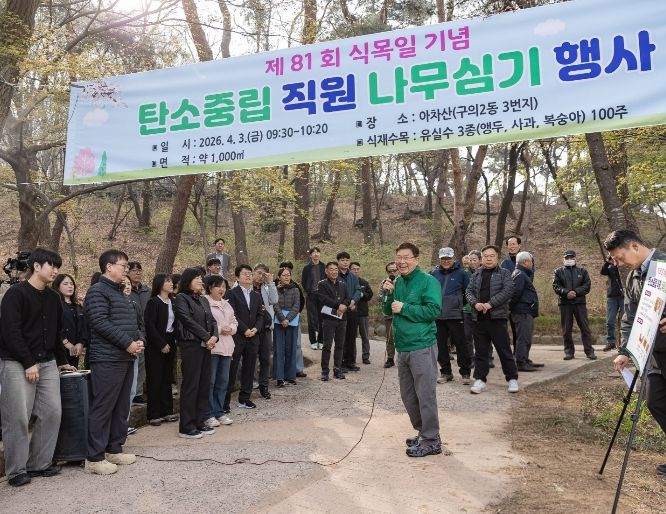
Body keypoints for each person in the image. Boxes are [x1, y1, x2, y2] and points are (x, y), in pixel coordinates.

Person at [0, 248, 76, 487]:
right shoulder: (15, 294)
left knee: (52, 412)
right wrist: (28, 362)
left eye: (57, 266)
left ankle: (39, 463)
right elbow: (10, 332)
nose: (55, 271)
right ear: (36, 266)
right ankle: (16, 470)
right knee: (17, 417)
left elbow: (55, 333)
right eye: (51, 265)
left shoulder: (53, 298)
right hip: (16, 362)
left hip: (47, 362)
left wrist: (62, 361)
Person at [606, 230, 666, 478]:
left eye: (620, 257)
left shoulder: (664, 265)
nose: (619, 264)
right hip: (653, 354)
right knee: (655, 402)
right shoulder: (633, 277)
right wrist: (625, 351)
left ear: (634, 246)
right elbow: (629, 318)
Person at [84, 249, 144, 475]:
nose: (126, 270)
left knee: (121, 406)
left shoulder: (121, 293)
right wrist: (127, 343)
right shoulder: (97, 291)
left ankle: (113, 448)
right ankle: (94, 457)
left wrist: (139, 340)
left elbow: (133, 324)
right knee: (103, 406)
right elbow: (99, 322)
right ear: (109, 267)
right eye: (123, 265)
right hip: (107, 359)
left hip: (125, 356)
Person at [382, 242, 442, 458]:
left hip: (422, 346)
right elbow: (387, 310)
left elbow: (433, 310)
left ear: (416, 259)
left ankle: (432, 439)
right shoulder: (397, 281)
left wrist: (405, 308)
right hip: (403, 347)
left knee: (425, 394)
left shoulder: (428, 281)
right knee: (408, 395)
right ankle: (423, 432)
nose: (401, 261)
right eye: (398, 257)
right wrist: (388, 294)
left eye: (406, 257)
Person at [466, 245, 519, 394]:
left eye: (492, 256)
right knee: (480, 352)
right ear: (481, 258)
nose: (488, 259)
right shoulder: (476, 274)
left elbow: (508, 291)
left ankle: (512, 379)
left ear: (497, 257)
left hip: (497, 319)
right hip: (479, 319)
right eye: (485, 256)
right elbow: (468, 291)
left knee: (504, 350)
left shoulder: (504, 273)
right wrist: (475, 303)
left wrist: (490, 304)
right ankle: (480, 379)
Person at [174, 268, 218, 439]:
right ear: (187, 281)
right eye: (196, 278)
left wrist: (214, 336)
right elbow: (187, 320)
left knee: (204, 384)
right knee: (191, 385)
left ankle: (199, 421)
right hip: (191, 345)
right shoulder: (181, 298)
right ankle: (186, 426)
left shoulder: (203, 299)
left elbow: (212, 321)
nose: (200, 280)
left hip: (206, 345)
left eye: (201, 278)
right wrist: (207, 337)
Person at [430, 247, 471, 385]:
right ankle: (446, 372)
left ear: (453, 258)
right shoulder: (433, 273)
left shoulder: (462, 274)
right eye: (443, 258)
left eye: (448, 258)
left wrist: (458, 303)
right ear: (440, 259)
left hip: (455, 315)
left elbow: (468, 292)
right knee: (440, 345)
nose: (446, 261)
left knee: (461, 344)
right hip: (437, 315)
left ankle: (465, 372)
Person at [225, 264, 264, 410]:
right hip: (237, 336)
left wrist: (256, 328)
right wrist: (244, 329)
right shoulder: (231, 293)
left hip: (253, 336)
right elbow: (232, 315)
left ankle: (245, 398)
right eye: (245, 273)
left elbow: (260, 315)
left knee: (249, 368)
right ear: (237, 277)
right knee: (232, 369)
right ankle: (224, 402)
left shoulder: (256, 295)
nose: (248, 276)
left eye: (250, 273)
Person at [143, 274, 179, 427]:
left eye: (171, 281)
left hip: (170, 341)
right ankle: (154, 414)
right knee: (155, 378)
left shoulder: (173, 302)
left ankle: (167, 411)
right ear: (159, 284)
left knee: (167, 377)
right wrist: (161, 344)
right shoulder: (153, 302)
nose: (171, 284)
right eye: (167, 281)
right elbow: (150, 326)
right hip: (155, 344)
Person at [203, 275, 236, 428]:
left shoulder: (226, 304)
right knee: (210, 382)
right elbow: (206, 323)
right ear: (210, 287)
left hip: (227, 347)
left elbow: (234, 321)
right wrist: (221, 329)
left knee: (223, 382)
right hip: (213, 347)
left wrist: (232, 329)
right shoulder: (205, 302)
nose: (221, 289)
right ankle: (208, 414)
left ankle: (219, 411)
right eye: (218, 286)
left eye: (223, 286)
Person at [552, 250, 597, 360]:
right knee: (566, 329)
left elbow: (587, 285)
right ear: (563, 259)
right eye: (567, 258)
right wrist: (566, 292)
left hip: (579, 303)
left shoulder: (582, 271)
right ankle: (569, 352)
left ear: (575, 258)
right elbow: (556, 286)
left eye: (571, 257)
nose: (569, 259)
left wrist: (576, 292)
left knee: (585, 328)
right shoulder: (558, 271)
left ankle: (589, 352)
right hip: (565, 303)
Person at [316, 261, 350, 381]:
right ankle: (325, 371)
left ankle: (337, 369)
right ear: (326, 271)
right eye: (331, 269)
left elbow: (348, 297)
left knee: (340, 345)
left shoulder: (343, 284)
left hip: (342, 318)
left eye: (336, 269)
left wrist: (344, 305)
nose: (334, 271)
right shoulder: (322, 284)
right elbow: (323, 299)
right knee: (327, 345)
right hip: (329, 318)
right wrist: (338, 305)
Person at [510, 252, 542, 372]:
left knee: (526, 337)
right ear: (526, 262)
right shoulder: (520, 274)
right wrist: (513, 308)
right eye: (531, 262)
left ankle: (525, 359)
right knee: (523, 338)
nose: (532, 264)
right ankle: (521, 363)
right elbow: (515, 293)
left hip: (525, 311)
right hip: (522, 311)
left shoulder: (522, 274)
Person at [253, 263, 279, 400]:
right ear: (253, 272)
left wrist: (271, 283)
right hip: (251, 328)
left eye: (263, 274)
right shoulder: (246, 287)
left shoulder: (266, 287)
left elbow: (274, 300)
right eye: (258, 273)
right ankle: (251, 383)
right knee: (251, 358)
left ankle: (264, 385)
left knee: (265, 358)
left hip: (266, 327)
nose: (260, 276)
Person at [53, 273, 88, 369]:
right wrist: (66, 343)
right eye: (65, 284)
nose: (70, 286)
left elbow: (84, 326)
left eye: (72, 284)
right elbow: (54, 325)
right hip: (59, 350)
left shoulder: (78, 307)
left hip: (75, 351)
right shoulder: (55, 304)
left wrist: (81, 343)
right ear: (58, 286)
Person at [279, 260, 307, 378]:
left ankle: (298, 368)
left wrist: (293, 315)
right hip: (279, 319)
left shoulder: (295, 286)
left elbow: (300, 302)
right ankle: (282, 370)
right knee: (281, 345)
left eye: (289, 269)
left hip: (294, 318)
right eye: (284, 268)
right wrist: (281, 317)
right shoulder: (275, 285)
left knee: (297, 344)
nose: (286, 271)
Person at [127, 261, 150, 405]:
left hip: (147, 331)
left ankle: (139, 391)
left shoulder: (147, 291)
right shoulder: (125, 290)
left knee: (143, 364)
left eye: (139, 270)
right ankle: (134, 392)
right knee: (136, 362)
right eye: (134, 270)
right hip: (133, 332)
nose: (137, 273)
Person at [274, 267, 301, 386]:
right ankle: (279, 377)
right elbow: (275, 305)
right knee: (279, 349)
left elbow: (297, 306)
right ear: (279, 277)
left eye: (288, 275)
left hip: (292, 321)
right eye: (284, 275)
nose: (286, 277)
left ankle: (290, 376)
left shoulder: (295, 290)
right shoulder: (275, 289)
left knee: (291, 348)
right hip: (278, 321)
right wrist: (282, 318)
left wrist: (288, 319)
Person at [337, 251, 361, 372]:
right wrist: (343, 305)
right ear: (338, 261)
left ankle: (350, 362)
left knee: (351, 336)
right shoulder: (335, 274)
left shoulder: (353, 276)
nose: (345, 262)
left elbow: (358, 290)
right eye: (342, 260)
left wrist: (353, 301)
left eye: (347, 260)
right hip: (340, 310)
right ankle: (340, 363)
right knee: (341, 337)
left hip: (352, 309)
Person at [301, 247, 326, 350]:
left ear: (320, 254)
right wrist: (308, 289)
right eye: (314, 252)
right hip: (311, 295)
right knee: (311, 318)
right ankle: (313, 341)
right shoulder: (307, 268)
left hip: (322, 296)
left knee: (322, 318)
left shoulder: (324, 266)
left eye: (318, 252)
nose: (316, 254)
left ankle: (321, 340)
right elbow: (303, 281)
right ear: (310, 255)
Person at [350, 262, 374, 365]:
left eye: (357, 269)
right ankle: (352, 358)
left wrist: (363, 294)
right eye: (353, 269)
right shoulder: (347, 282)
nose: (356, 271)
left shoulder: (364, 282)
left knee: (365, 336)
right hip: (351, 312)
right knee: (352, 336)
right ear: (350, 270)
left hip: (363, 312)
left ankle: (366, 356)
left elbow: (370, 294)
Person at [601, 255, 624, 351]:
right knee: (610, 321)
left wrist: (618, 264)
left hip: (624, 297)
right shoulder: (610, 268)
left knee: (625, 320)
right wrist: (608, 262)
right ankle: (610, 342)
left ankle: (624, 343)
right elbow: (603, 272)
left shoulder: (624, 267)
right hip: (612, 297)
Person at [379, 262, 398, 368]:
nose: (392, 273)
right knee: (389, 337)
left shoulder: (403, 281)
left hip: (403, 314)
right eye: (390, 271)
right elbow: (380, 297)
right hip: (389, 315)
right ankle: (390, 358)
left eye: (394, 270)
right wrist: (386, 293)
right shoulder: (384, 282)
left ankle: (404, 359)